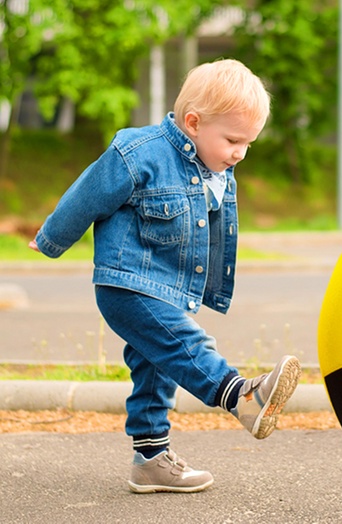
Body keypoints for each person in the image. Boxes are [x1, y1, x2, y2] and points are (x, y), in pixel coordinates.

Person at [29, 58, 301, 494]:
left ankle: (151, 460)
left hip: (168, 288)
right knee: (186, 344)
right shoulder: (138, 152)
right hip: (126, 283)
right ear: (193, 122)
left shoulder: (217, 172)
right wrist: (52, 238)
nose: (239, 154)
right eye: (233, 140)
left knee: (158, 369)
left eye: (248, 144)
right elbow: (87, 194)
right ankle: (240, 396)